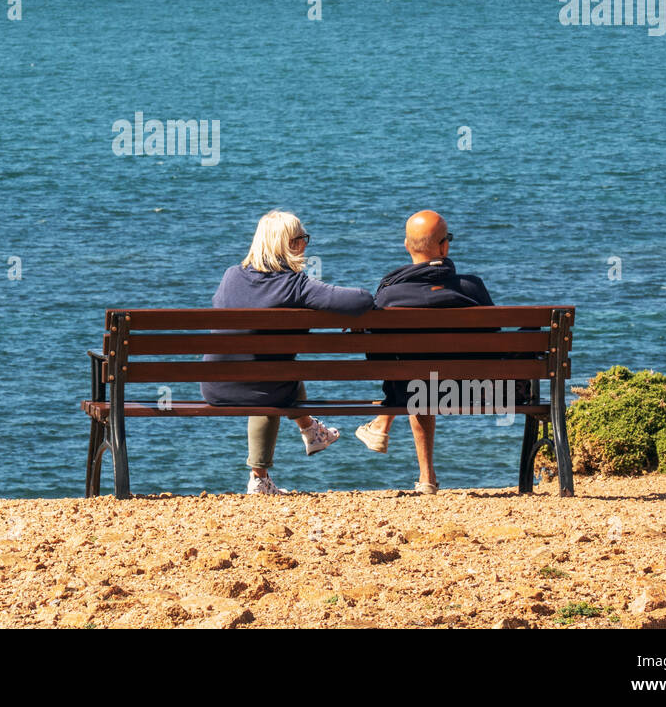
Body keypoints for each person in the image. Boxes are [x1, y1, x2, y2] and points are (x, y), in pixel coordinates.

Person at [201, 210, 374, 495]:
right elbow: (361, 299)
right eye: (302, 239)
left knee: (273, 370)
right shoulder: (295, 284)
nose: (306, 245)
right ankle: (309, 432)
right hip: (267, 389)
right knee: (279, 375)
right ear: (290, 244)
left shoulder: (231, 276)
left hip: (215, 387)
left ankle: (302, 442)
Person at [355, 210, 494, 495]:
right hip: (477, 390)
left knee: (412, 375)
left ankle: (392, 435)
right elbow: (493, 343)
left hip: (414, 389)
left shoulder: (389, 296)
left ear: (407, 246)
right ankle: (424, 473)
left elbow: (377, 359)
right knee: (421, 377)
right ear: (444, 247)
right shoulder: (472, 287)